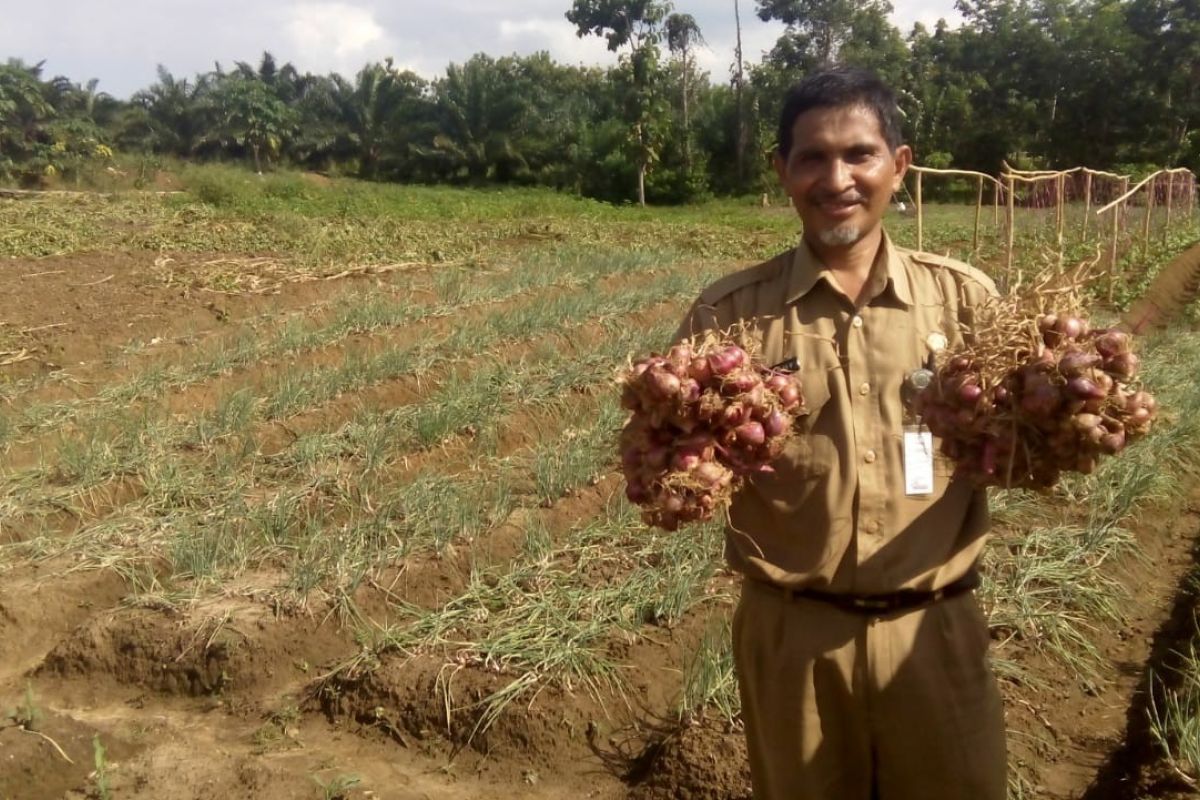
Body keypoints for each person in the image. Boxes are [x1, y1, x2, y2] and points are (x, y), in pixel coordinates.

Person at [674, 66, 1007, 800]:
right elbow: (673, 452)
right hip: (793, 637)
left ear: (900, 165)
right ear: (783, 173)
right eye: (812, 158)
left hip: (935, 632)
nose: (838, 178)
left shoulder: (967, 301)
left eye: (859, 153)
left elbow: (1021, 440)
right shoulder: (727, 317)